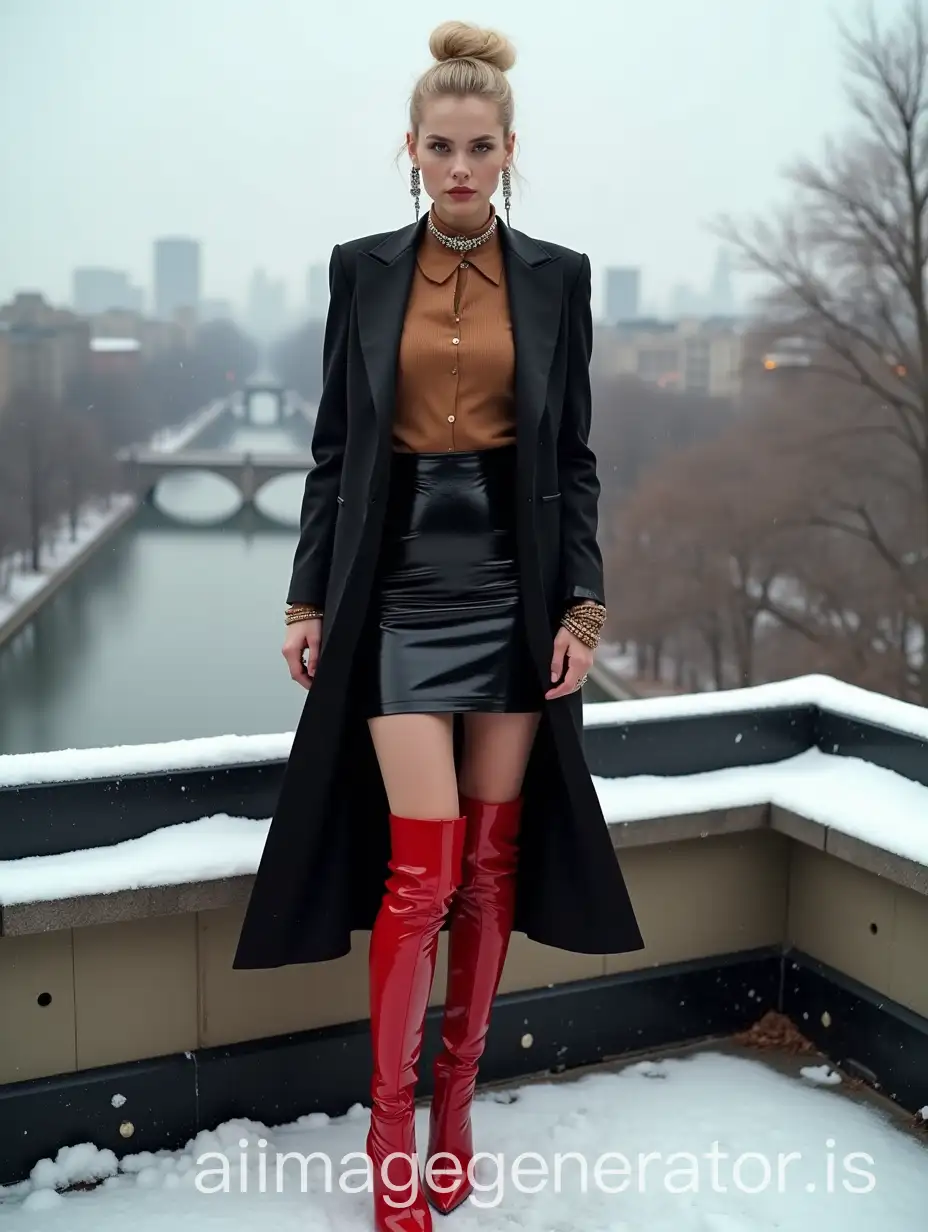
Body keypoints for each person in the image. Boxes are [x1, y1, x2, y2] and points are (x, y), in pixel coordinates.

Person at [232, 19, 644, 1230]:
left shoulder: (559, 276)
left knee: (492, 865)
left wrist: (582, 599)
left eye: (480, 147)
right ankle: (388, 1127)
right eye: (439, 147)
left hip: (514, 587)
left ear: (510, 151)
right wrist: (309, 595)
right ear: (408, 149)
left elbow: (570, 457)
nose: (458, 167)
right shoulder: (358, 270)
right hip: (398, 583)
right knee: (422, 872)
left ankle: (457, 1105)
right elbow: (330, 450)